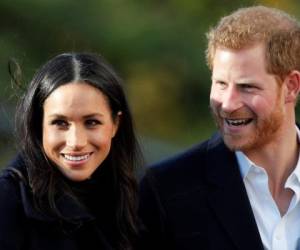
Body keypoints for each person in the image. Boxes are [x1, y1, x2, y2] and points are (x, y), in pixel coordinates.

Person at [139, 5, 300, 250]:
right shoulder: (166, 191)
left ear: (291, 86)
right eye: (221, 83)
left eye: (247, 87)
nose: (227, 104)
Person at [0, 52, 142, 250]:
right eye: (60, 123)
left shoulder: (136, 201)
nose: (76, 142)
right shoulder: (8, 201)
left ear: (116, 124)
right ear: (38, 124)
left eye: (92, 122)